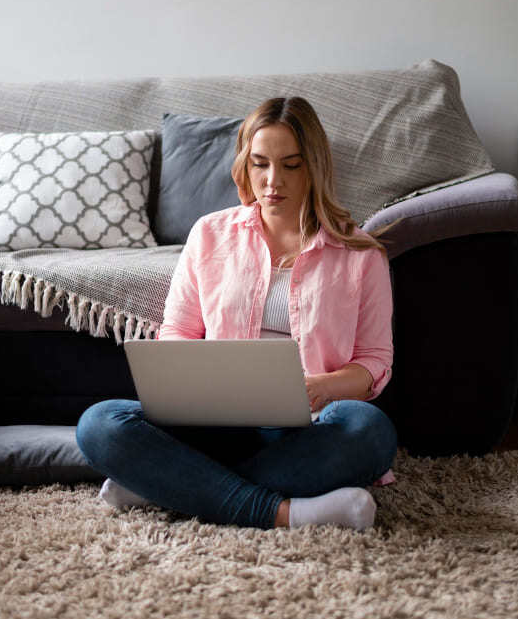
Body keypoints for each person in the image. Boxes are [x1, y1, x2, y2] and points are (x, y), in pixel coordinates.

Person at [76, 96, 397, 530]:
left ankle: (167, 488)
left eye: (291, 165)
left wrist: (322, 387)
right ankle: (288, 512)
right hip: (217, 425)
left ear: (315, 167)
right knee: (100, 424)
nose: (272, 181)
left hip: (309, 427)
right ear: (244, 165)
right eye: (260, 163)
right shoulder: (210, 234)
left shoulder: (361, 254)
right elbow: (178, 332)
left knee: (370, 431)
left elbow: (374, 362)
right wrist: (195, 385)